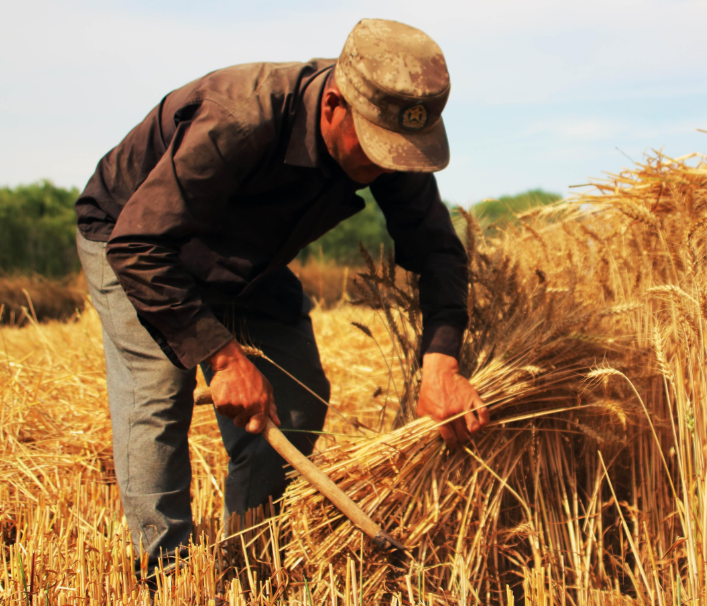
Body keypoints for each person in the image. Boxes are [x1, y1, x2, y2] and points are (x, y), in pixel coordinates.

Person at [73, 18, 489, 576]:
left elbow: (439, 251)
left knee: (296, 396)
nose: (384, 166)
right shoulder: (240, 118)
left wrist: (440, 362)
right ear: (335, 104)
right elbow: (140, 243)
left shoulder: (389, 143)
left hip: (248, 254)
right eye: (374, 149)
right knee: (159, 395)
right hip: (136, 238)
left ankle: (247, 564)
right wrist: (220, 357)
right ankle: (166, 572)